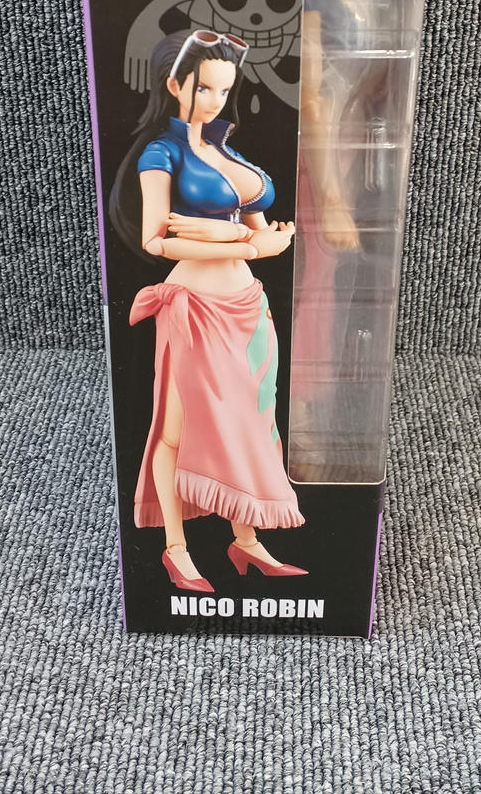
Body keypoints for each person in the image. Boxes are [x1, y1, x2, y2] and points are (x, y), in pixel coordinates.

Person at [109, 29, 306, 593]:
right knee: (176, 428)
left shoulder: (226, 149)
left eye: (224, 89)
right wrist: (247, 244)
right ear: (174, 85)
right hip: (195, 308)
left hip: (247, 306)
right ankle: (176, 549)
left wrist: (251, 239)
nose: (216, 100)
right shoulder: (161, 153)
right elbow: (156, 240)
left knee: (249, 422)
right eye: (204, 89)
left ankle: (245, 537)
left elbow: (259, 225)